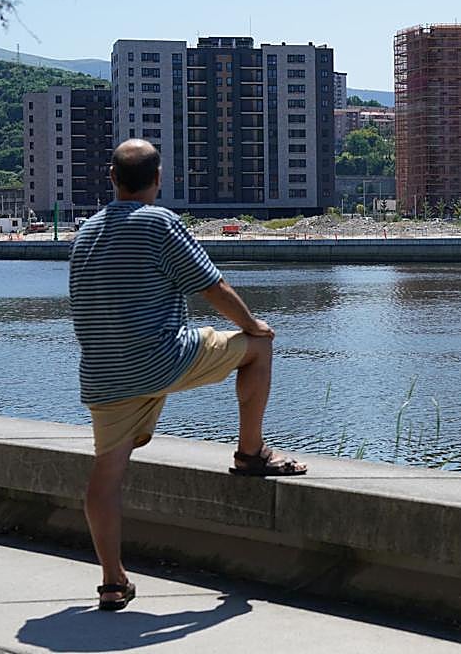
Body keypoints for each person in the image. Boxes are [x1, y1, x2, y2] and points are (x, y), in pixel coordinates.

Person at [69, 139, 306, 612]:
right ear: (158, 180)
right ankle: (251, 452)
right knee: (257, 348)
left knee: (107, 473)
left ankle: (113, 582)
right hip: (160, 357)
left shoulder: (87, 231)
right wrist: (252, 325)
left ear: (112, 179)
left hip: (103, 373)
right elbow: (211, 286)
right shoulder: (160, 222)